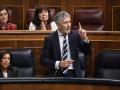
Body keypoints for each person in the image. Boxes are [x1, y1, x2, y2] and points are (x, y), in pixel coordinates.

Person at [40, 11, 91, 77]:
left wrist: (85, 39)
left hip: (74, 73)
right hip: (57, 73)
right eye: (65, 23)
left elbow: (87, 51)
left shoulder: (75, 35)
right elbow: (43, 60)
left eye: (69, 22)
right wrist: (59, 64)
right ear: (58, 25)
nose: (69, 25)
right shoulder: (50, 39)